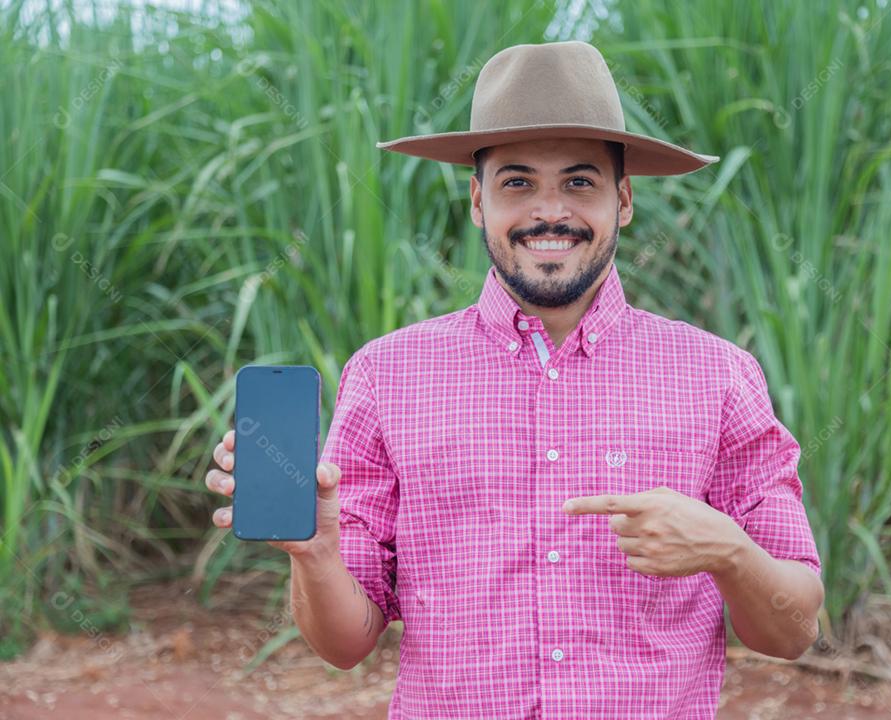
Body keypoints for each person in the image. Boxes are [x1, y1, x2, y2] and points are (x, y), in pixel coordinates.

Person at [205, 40, 823, 719]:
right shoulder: (386, 375)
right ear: (478, 200)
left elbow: (793, 630)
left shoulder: (719, 376)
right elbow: (345, 644)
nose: (549, 211)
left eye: (580, 182)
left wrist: (728, 552)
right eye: (518, 182)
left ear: (624, 199)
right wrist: (316, 555)